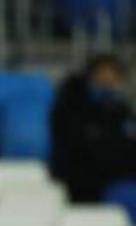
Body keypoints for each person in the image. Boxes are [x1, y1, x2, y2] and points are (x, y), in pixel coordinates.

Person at [50, 53, 136, 203]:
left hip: (117, 177)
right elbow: (77, 149)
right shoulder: (70, 108)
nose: (110, 82)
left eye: (115, 77)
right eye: (104, 76)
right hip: (83, 183)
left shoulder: (120, 109)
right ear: (92, 76)